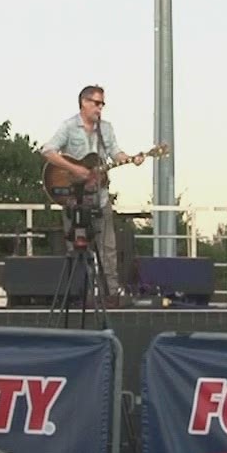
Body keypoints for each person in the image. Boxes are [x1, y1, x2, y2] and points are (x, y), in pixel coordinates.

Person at [39, 84, 137, 302]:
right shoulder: (69, 126)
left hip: (99, 197)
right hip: (75, 199)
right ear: (84, 103)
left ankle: (111, 293)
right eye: (96, 103)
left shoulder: (106, 129)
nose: (100, 108)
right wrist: (75, 170)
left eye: (102, 104)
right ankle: (81, 293)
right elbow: (47, 150)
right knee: (77, 247)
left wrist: (130, 158)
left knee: (108, 247)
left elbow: (115, 152)